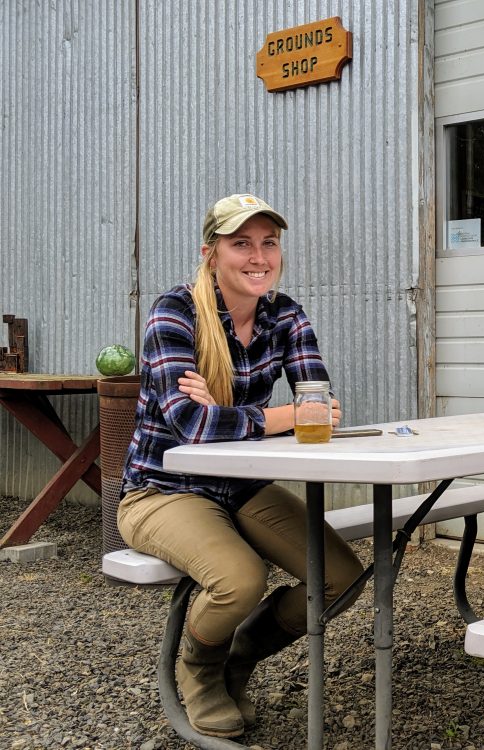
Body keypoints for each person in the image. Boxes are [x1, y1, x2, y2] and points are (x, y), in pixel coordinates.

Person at [117, 194, 364, 738]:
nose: (259, 257)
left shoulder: (285, 313)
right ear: (211, 254)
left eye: (268, 243)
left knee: (342, 579)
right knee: (240, 578)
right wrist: (283, 415)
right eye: (241, 244)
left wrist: (237, 412)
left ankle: (239, 656)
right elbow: (191, 426)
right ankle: (199, 672)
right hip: (161, 490)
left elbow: (322, 405)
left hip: (241, 485)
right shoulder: (174, 313)